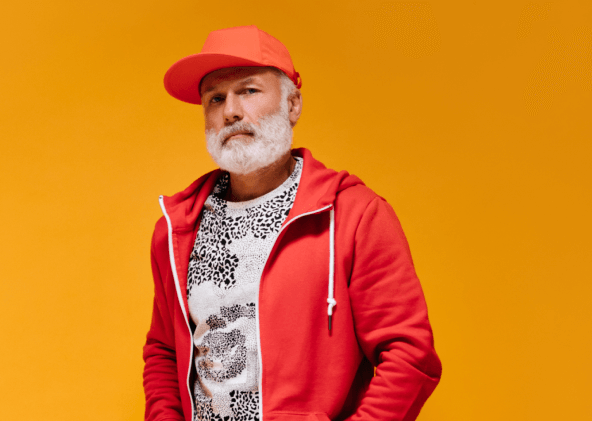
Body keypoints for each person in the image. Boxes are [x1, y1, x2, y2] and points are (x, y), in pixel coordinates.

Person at [143, 26, 442, 421]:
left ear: (293, 105)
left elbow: (409, 355)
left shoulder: (353, 215)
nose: (231, 111)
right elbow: (164, 351)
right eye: (215, 98)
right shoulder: (179, 226)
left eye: (249, 91)